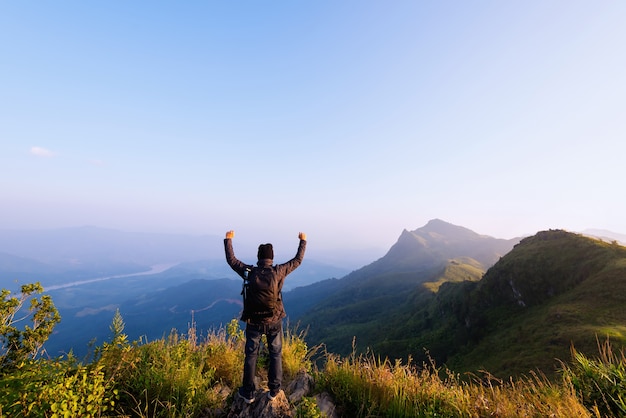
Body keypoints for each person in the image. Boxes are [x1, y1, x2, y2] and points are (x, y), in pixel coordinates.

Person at [224, 230, 307, 404]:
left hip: (253, 321)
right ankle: (274, 390)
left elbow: (232, 261)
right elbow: (297, 260)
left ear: (258, 257)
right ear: (271, 257)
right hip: (274, 320)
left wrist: (228, 240)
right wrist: (303, 241)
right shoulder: (278, 271)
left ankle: (248, 393)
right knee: (275, 353)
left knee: (251, 356)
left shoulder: (249, 272)